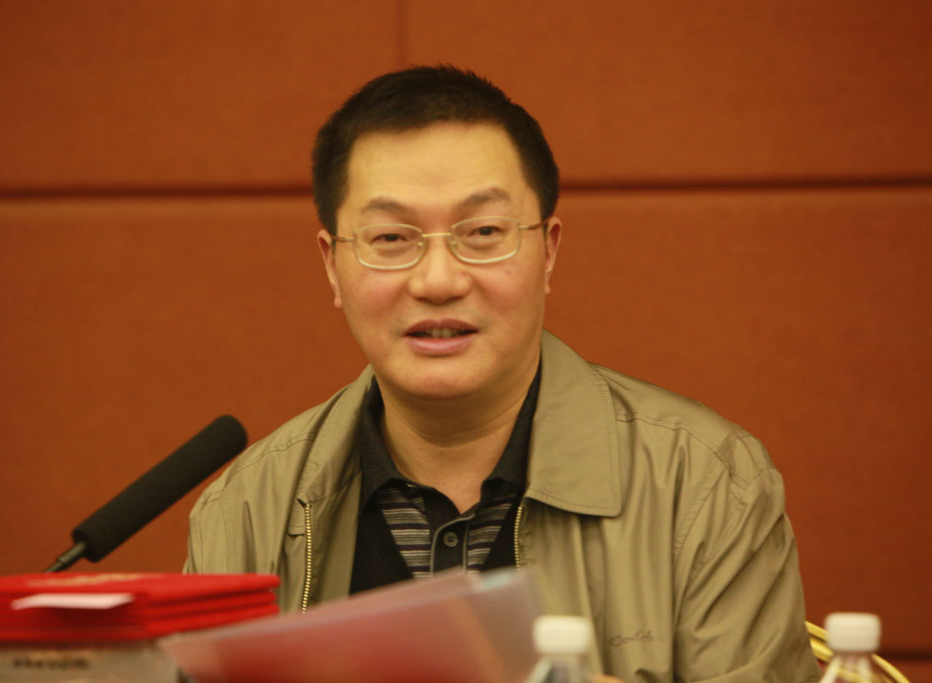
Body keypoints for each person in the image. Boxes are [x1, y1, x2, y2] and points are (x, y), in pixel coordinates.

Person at [185, 65, 820, 682]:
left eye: (484, 231)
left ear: (549, 250)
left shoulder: (704, 485)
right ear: (332, 266)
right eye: (391, 239)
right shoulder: (245, 510)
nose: (438, 281)